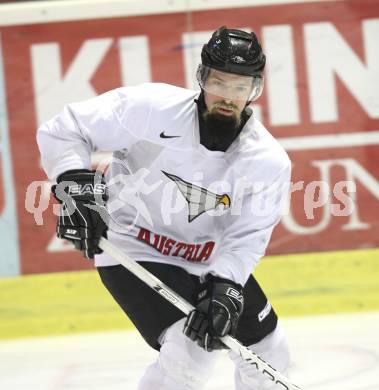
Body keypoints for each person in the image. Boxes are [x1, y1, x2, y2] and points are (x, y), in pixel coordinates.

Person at [37, 26, 292, 389]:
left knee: (270, 352)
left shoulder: (267, 160)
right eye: (219, 83)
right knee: (190, 355)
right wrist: (73, 182)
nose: (227, 97)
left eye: (240, 88)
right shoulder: (151, 110)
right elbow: (65, 129)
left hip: (205, 260)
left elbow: (247, 238)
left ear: (254, 91)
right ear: (202, 78)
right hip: (133, 245)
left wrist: (226, 286)